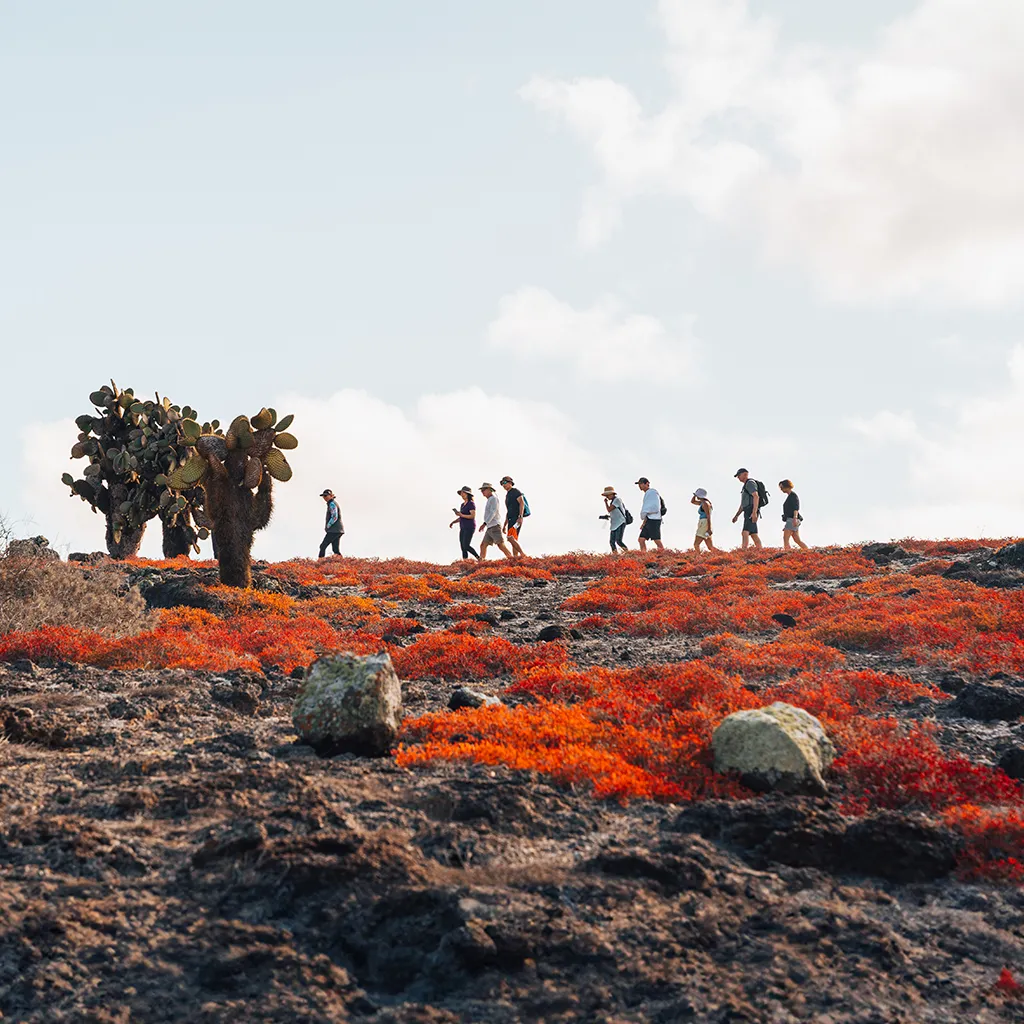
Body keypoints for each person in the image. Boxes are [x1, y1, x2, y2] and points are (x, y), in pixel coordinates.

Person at [478, 482, 513, 560]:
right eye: (482, 490)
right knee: (483, 545)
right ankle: (481, 562)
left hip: (495, 526)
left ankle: (511, 559)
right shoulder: (489, 500)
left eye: (484, 490)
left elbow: (493, 512)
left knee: (501, 545)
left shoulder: (493, 499)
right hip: (490, 527)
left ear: (489, 490)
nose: (482, 492)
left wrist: (484, 523)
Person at [731, 469, 762, 550]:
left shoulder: (750, 483)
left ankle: (744, 551)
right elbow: (743, 504)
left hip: (751, 510)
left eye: (739, 475)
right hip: (748, 510)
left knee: (745, 532)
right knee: (753, 534)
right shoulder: (746, 486)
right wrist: (736, 515)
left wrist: (754, 512)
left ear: (745, 474)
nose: (738, 477)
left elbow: (756, 496)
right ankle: (761, 551)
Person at [449, 486, 480, 560]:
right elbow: (461, 517)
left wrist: (461, 515)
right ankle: (465, 562)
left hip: (469, 527)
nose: (462, 495)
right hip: (462, 527)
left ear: (468, 494)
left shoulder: (471, 503)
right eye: (461, 493)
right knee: (462, 546)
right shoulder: (462, 505)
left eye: (463, 493)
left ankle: (478, 558)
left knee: (466, 545)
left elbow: (472, 516)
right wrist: (453, 522)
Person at [500, 476, 526, 559]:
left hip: (516, 518)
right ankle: (516, 558)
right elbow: (508, 511)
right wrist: (504, 525)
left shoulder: (515, 491)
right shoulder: (507, 495)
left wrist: (520, 516)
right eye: (502, 483)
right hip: (511, 519)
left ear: (510, 483)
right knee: (513, 539)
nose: (503, 485)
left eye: (505, 483)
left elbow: (522, 503)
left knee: (510, 538)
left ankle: (522, 554)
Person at [635, 477, 664, 552]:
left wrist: (645, 512)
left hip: (655, 520)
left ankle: (664, 554)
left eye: (641, 483)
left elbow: (655, 507)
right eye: (639, 484)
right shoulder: (648, 494)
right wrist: (644, 523)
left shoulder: (652, 492)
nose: (640, 486)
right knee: (641, 539)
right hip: (649, 520)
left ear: (647, 483)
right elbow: (648, 509)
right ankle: (643, 555)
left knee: (656, 539)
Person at [780, 480, 808, 551]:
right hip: (792, 519)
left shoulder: (793, 496)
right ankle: (808, 551)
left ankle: (787, 552)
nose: (781, 489)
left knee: (785, 538)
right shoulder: (790, 496)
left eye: (782, 487)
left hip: (792, 519)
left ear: (787, 486)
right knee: (797, 539)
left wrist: (794, 518)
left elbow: (796, 508)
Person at [601, 486, 629, 553]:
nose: (607, 497)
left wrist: (605, 503)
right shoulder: (613, 502)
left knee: (618, 541)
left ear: (612, 494)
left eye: (607, 495)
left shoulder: (617, 500)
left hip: (620, 522)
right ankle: (615, 555)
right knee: (612, 542)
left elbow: (609, 509)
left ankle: (628, 553)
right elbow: (612, 512)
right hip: (614, 524)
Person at [318, 488, 344, 557]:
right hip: (338, 530)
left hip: (334, 530)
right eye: (323, 496)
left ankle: (320, 562)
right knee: (335, 549)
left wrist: (328, 526)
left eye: (326, 496)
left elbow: (334, 516)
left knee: (323, 546)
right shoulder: (331, 503)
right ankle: (341, 562)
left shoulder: (332, 504)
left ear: (331, 496)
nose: (324, 497)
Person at [691, 488, 716, 553]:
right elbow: (693, 501)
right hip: (704, 523)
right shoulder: (703, 502)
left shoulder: (705, 503)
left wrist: (709, 528)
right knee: (710, 547)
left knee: (696, 544)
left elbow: (708, 516)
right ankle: (719, 556)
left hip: (704, 524)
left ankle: (699, 558)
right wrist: (695, 495)